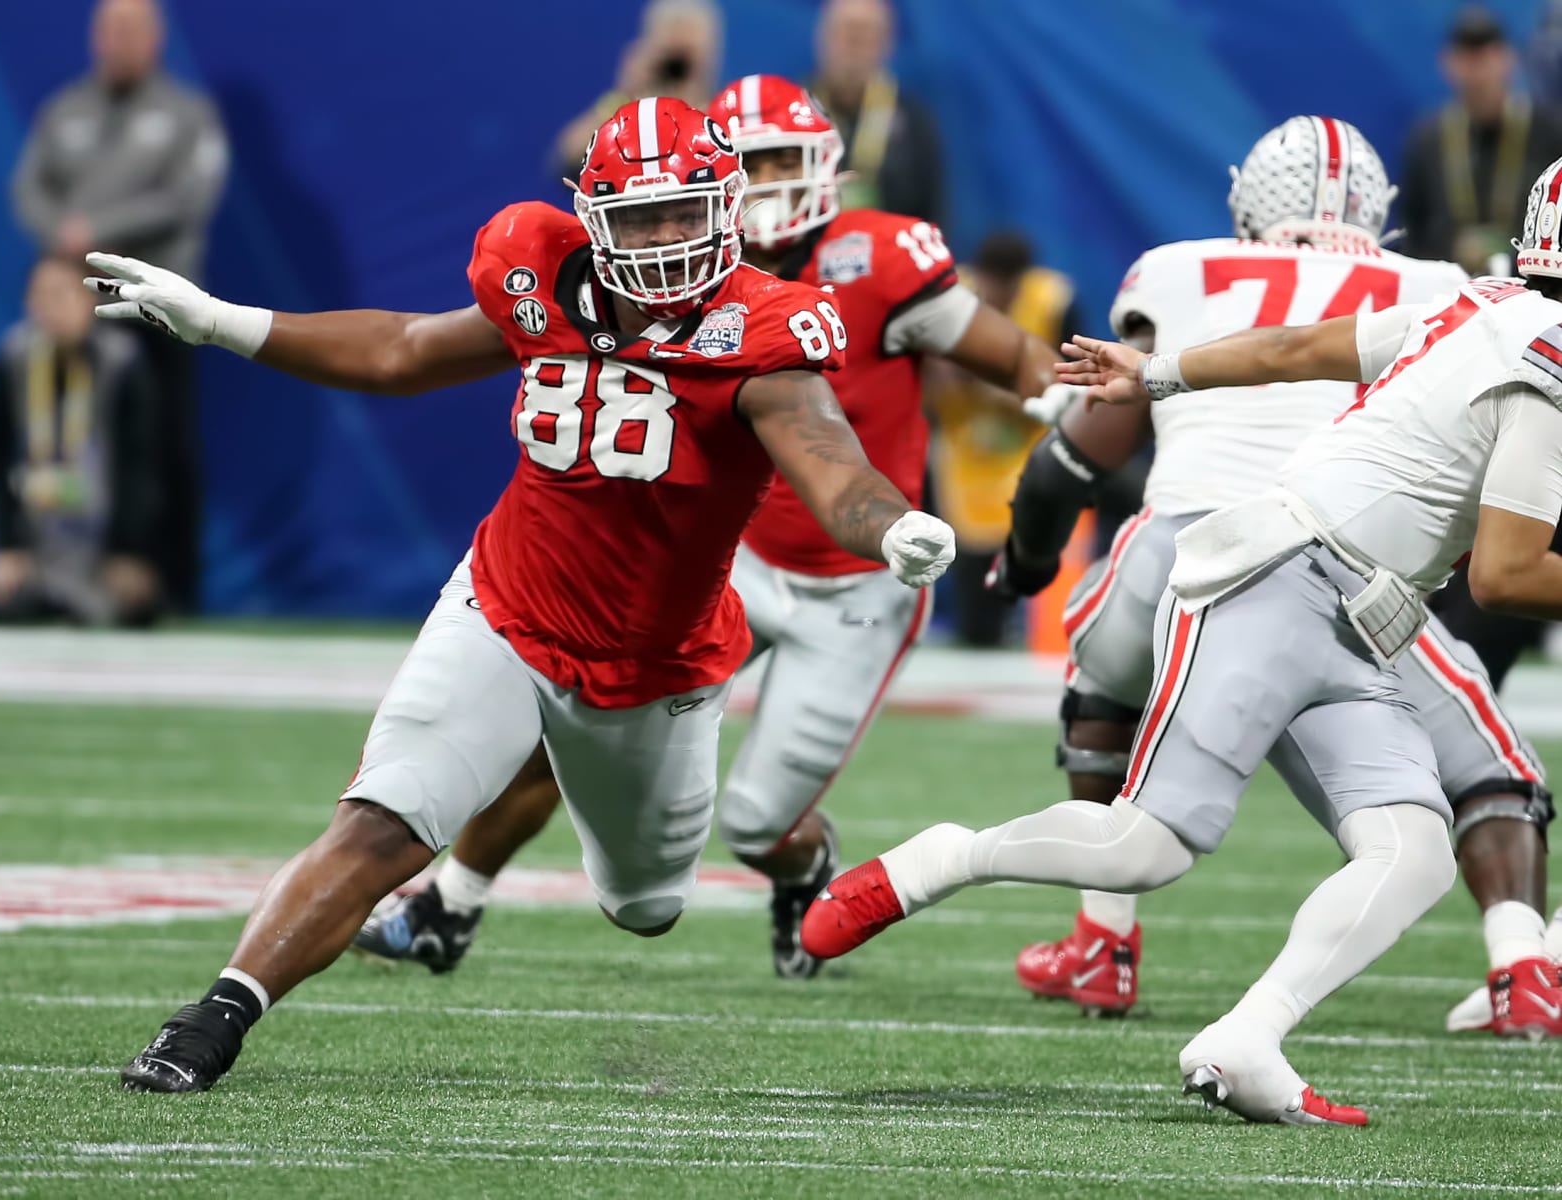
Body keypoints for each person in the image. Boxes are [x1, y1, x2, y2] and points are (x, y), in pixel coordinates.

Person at [92, 97, 957, 1093]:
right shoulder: (536, 272)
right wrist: (221, 322)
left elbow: (831, 465)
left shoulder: (760, 328)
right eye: (640, 219)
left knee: (645, 904)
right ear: (593, 219)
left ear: (726, 207)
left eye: (684, 213)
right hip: (507, 609)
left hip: (655, 668)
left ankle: (534, 850)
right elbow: (402, 351)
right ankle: (216, 1017)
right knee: (383, 821)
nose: (667, 239)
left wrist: (890, 525)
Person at [806, 156, 1562, 1124]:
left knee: (1413, 847)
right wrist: (1149, 375)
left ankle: (1249, 1037)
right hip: (1274, 572)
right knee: (1145, 846)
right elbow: (1505, 572)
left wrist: (1157, 370)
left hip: (1361, 610)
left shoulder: (1481, 305)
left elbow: (1298, 351)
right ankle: (940, 859)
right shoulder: (1538, 363)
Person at [350, 75, 1071, 979]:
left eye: (784, 162)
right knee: (573, 711)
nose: (770, 183)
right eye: (753, 160)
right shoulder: (653, 272)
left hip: (855, 579)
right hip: (737, 559)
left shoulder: (879, 261)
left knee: (758, 820)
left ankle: (801, 864)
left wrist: (1078, 427)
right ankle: (449, 902)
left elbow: (1009, 356)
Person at [991, 118, 1553, 1038]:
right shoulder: (1450, 290)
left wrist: (1024, 562)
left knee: (1106, 676)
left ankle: (1102, 940)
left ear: (1248, 199)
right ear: (1378, 211)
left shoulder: (1178, 269)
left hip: (1175, 551)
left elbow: (1077, 458)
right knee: (1486, 760)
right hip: (1342, 561)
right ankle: (1521, 967)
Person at [13, 0, 228, 612]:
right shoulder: (66, 110)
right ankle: (63, 577)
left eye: (132, 29)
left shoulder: (188, 114)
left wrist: (96, 230)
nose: (120, 41)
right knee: (66, 436)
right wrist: (61, 232)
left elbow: (188, 198)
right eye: (110, 29)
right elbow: (28, 187)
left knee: (164, 440)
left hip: (159, 305)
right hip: (75, 305)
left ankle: (173, 581)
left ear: (155, 39)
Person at [0, 257, 166, 627]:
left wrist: (128, 550)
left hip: (104, 546)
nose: (51, 307)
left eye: (62, 295)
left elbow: (143, 463)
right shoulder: (13, 357)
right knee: (6, 609)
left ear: (88, 302)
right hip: (37, 544)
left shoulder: (122, 361)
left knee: (134, 609)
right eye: (40, 295)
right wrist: (6, 547)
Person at [929, 232, 1081, 646]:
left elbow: (1067, 381)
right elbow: (926, 368)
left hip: (1029, 438)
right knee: (961, 542)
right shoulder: (946, 296)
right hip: (962, 439)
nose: (995, 294)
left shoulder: (1053, 301)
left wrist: (996, 386)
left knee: (1025, 532)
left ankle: (1027, 621)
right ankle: (967, 625)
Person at [1402, 6, 1562, 272]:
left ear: (1508, 60)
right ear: (1448, 64)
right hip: (1445, 294)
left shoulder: (1550, 132)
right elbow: (1413, 234)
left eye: (1485, 59)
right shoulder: (1427, 140)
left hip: (1531, 288)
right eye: (1468, 60)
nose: (1477, 75)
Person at [549, 0, 723, 181]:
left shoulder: (727, 112)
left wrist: (692, 106)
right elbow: (568, 157)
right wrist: (624, 96)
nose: (677, 67)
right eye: (671, 56)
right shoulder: (626, 113)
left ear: (712, 53)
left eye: (686, 56)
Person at [808, 0, 944, 223]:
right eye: (847, 34)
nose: (854, 48)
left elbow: (934, 213)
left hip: (891, 251)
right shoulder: (793, 113)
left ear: (886, 45)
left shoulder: (914, 122)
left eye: (865, 37)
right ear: (822, 38)